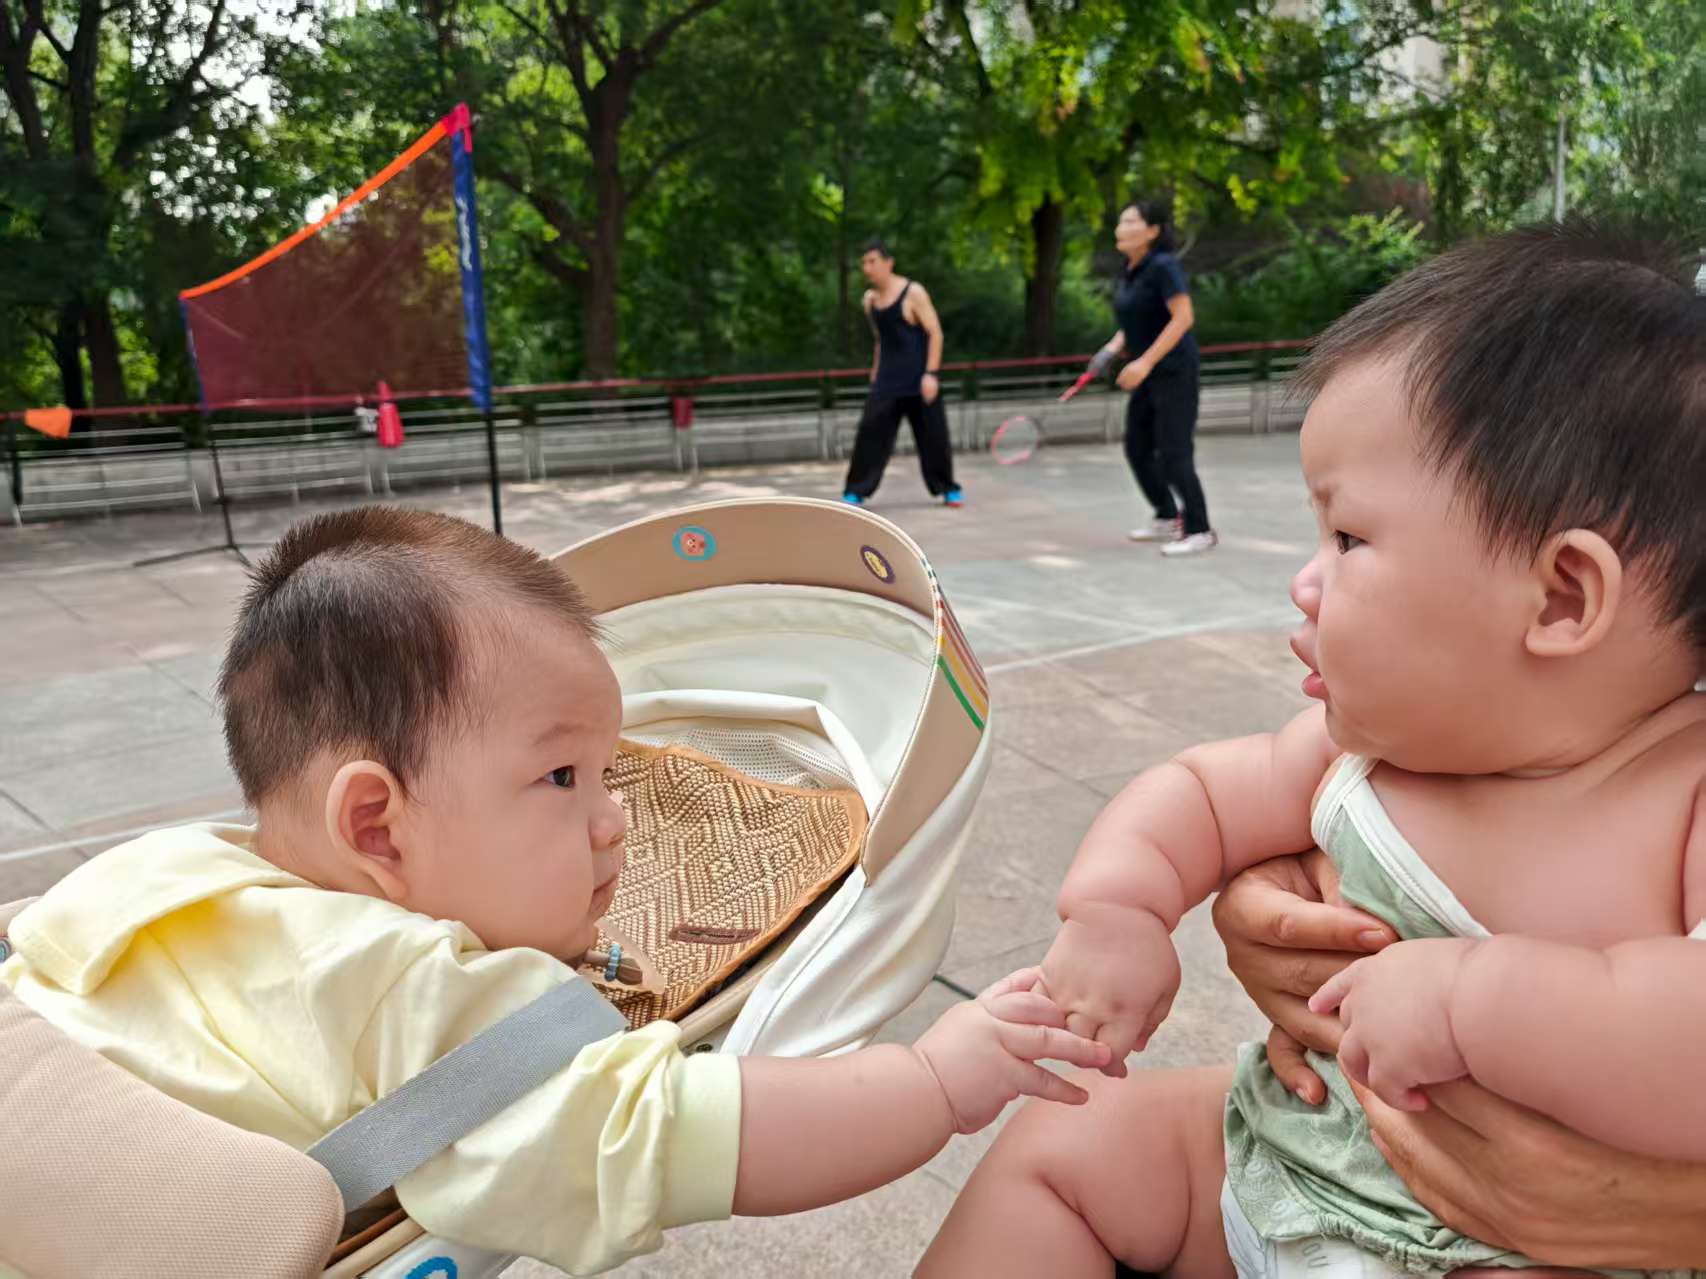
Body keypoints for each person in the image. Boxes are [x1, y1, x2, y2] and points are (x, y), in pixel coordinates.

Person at [0, 507, 1108, 1275]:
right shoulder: (409, 988)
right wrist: (933, 1080)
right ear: (375, 825)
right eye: (564, 776)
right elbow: (663, 1136)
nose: (616, 816)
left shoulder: (158, 870)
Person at [917, 222, 1706, 1276]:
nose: (1303, 580)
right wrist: (1117, 909)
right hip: (1288, 1158)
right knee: (1064, 1148)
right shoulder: (1371, 756)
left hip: (1513, 1242)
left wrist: (1472, 1001)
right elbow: (1196, 794)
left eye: (1347, 539)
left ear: (1561, 597)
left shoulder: (1683, 798)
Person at [1085, 199, 1216, 556]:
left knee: (1174, 452)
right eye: (1121, 221)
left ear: (1152, 231)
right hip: (1147, 372)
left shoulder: (1164, 266)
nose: (1121, 227)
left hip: (1174, 370)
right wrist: (1110, 350)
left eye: (1131, 221)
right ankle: (1166, 514)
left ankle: (1200, 529)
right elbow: (1136, 322)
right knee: (1137, 447)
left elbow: (1183, 318)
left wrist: (1143, 363)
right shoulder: (1130, 270)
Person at [842, 238, 964, 508]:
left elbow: (935, 333)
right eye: (864, 263)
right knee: (870, 434)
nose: (867, 268)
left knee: (933, 438)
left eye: (872, 261)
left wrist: (931, 374)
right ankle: (855, 491)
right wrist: (875, 373)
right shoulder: (870, 301)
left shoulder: (913, 292)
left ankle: (948, 488)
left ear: (889, 263)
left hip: (919, 379)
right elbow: (881, 340)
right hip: (887, 381)